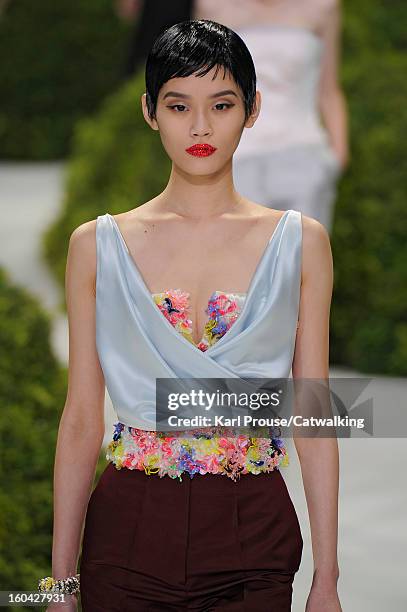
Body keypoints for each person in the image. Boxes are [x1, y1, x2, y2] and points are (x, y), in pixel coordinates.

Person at [41, 19, 341, 612]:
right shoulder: (96, 246)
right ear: (150, 111)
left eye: (221, 104)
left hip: (254, 525)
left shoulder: (301, 243)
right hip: (127, 528)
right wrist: (59, 582)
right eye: (179, 106)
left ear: (252, 110)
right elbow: (80, 417)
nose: (200, 127)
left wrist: (327, 581)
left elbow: (313, 416)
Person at [193, 0, 350, 233]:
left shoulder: (322, 7)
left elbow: (328, 90)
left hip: (304, 155)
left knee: (302, 261)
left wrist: (337, 157)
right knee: (235, 262)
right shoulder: (213, 7)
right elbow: (201, 89)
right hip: (234, 159)